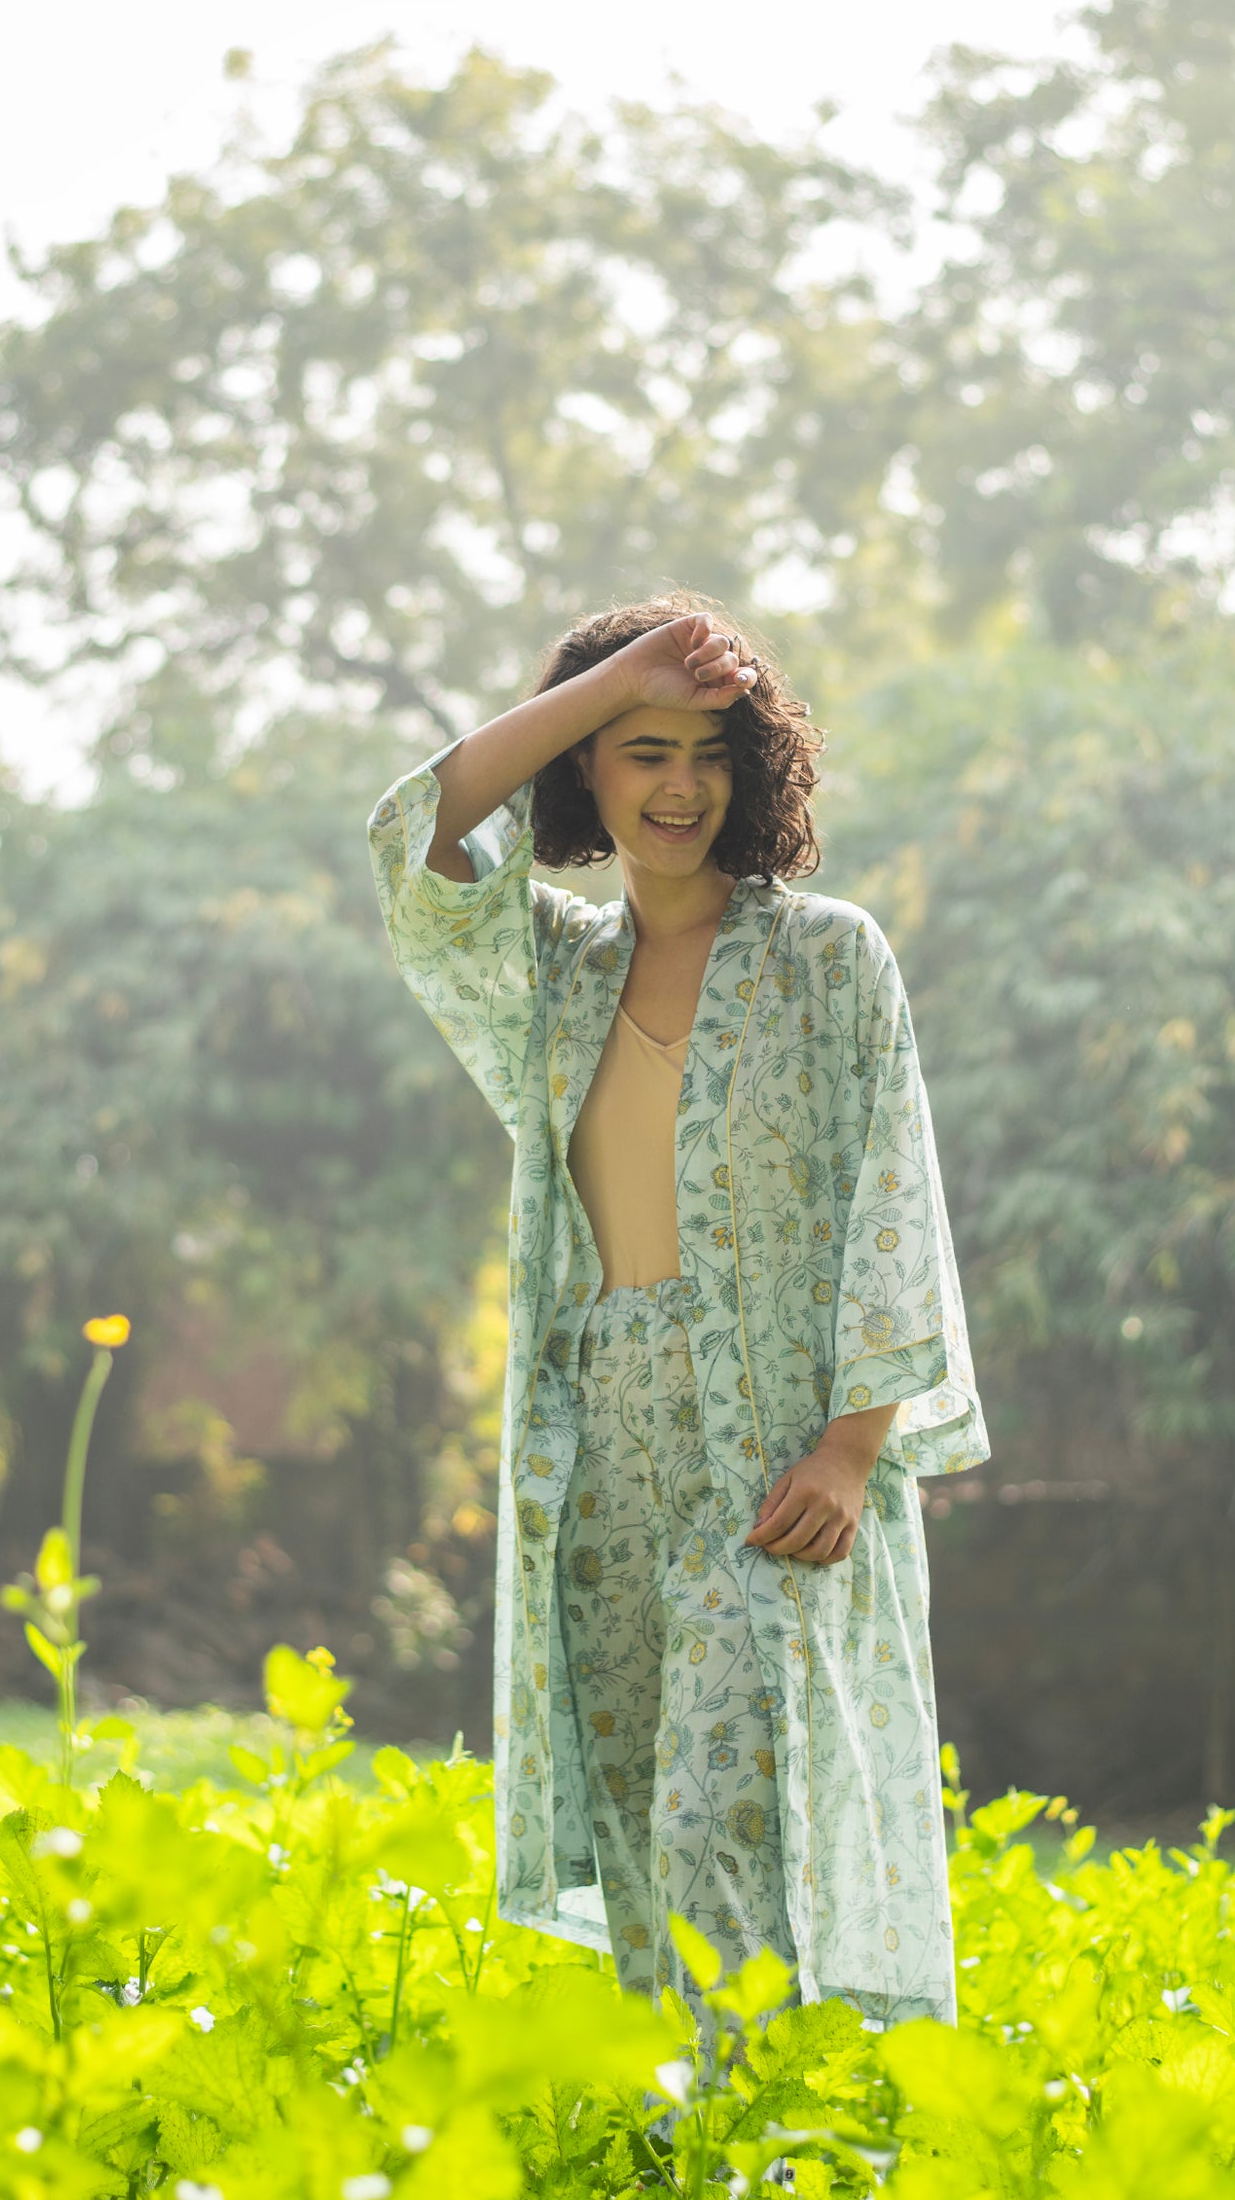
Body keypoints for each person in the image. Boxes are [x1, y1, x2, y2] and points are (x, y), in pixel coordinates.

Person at [369, 596, 986, 2024]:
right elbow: (416, 838)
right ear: (586, 765)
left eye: (711, 753)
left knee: (734, 1819)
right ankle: (695, 2140)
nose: (681, 787)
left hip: (777, 1452)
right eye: (644, 750)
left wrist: (852, 1448)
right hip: (600, 1456)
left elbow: (892, 1193)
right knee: (649, 1825)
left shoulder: (828, 959)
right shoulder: (552, 973)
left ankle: (777, 2126)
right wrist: (612, 683)